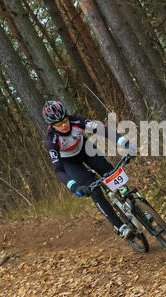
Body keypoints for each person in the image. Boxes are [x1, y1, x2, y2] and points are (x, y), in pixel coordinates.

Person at [42, 100, 139, 239]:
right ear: (51, 125)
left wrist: (123, 142)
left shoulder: (76, 120)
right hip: (70, 163)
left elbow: (103, 130)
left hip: (86, 150)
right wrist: (74, 186)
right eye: (58, 124)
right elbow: (58, 170)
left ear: (67, 116)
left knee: (112, 174)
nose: (63, 125)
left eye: (64, 120)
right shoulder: (51, 141)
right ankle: (119, 226)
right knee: (93, 190)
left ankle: (136, 209)